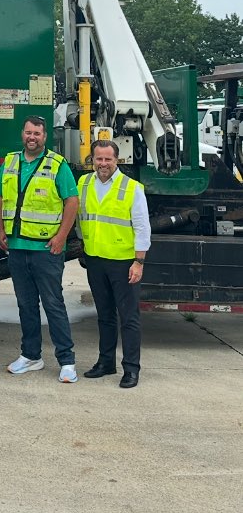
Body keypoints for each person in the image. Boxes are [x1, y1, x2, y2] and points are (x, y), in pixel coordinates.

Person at [0, 115, 79, 383]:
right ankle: (31, 356)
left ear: (44, 137)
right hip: (17, 248)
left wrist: (61, 236)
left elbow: (72, 200)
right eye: (28, 132)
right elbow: (0, 196)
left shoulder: (57, 164)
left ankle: (67, 361)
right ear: (23, 134)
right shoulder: (10, 162)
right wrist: (1, 230)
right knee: (26, 304)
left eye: (37, 134)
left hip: (46, 250)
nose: (32, 137)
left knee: (53, 304)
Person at [77, 139, 151, 389]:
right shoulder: (83, 183)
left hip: (123, 262)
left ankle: (131, 368)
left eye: (108, 159)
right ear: (92, 160)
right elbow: (80, 217)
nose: (103, 163)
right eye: (99, 158)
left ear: (117, 160)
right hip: (95, 259)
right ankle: (106, 362)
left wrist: (138, 262)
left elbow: (142, 228)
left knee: (129, 318)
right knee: (105, 315)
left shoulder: (131, 188)